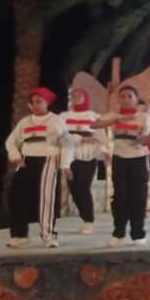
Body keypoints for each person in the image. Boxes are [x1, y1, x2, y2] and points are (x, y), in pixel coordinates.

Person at [5, 87, 73, 248]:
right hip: (27, 161)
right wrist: (16, 157)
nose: (35, 105)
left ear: (47, 103)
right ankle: (19, 235)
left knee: (46, 198)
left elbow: (67, 144)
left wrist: (65, 165)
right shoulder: (25, 122)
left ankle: (49, 235)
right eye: (32, 102)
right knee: (17, 196)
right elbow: (11, 142)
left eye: (39, 101)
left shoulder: (56, 120)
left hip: (48, 160)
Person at [92, 85, 150, 246]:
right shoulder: (114, 115)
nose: (126, 99)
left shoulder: (144, 117)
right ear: (118, 99)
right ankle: (118, 232)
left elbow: (145, 138)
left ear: (136, 99)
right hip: (119, 159)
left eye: (130, 96)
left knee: (139, 196)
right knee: (120, 196)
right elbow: (93, 125)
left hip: (138, 158)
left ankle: (138, 233)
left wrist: (146, 138)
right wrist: (115, 120)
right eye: (122, 96)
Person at [60, 88, 109, 235]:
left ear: (86, 97)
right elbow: (61, 137)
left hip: (88, 157)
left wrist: (105, 153)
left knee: (83, 187)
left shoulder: (94, 117)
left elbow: (100, 138)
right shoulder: (63, 117)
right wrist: (81, 139)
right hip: (70, 157)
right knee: (73, 189)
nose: (76, 97)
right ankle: (85, 217)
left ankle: (89, 220)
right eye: (74, 95)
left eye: (80, 95)